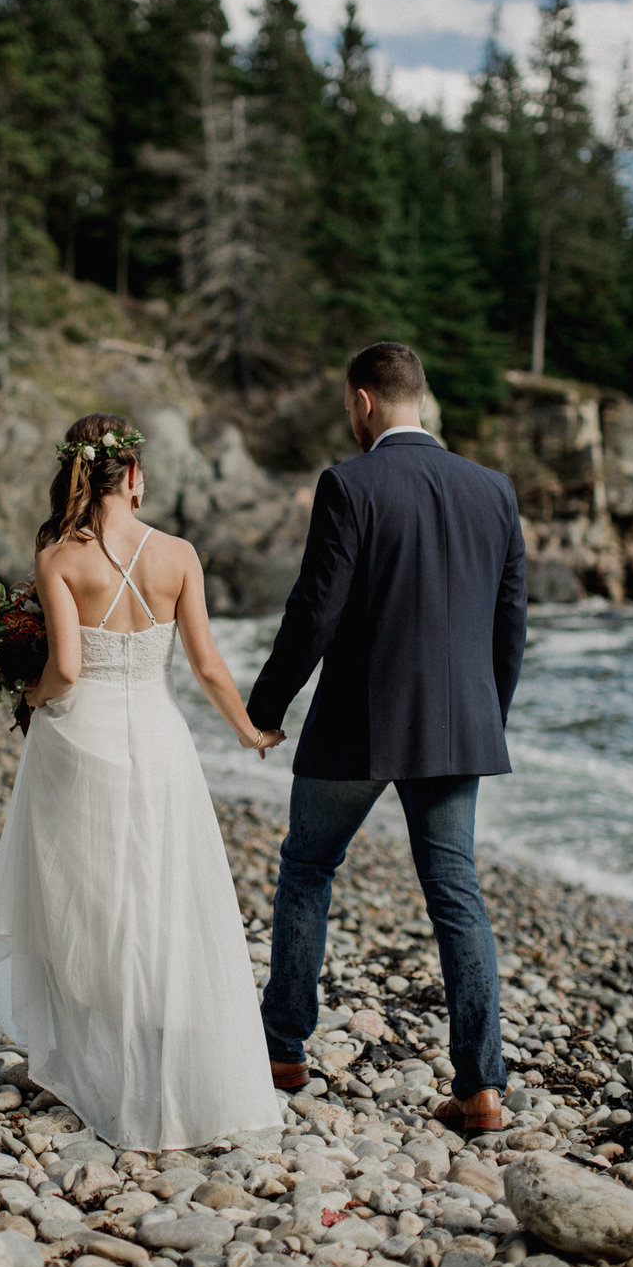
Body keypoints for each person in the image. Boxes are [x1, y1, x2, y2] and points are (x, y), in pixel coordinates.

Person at [0, 412, 285, 1151]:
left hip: (82, 739)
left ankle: (99, 1064)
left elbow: (67, 668)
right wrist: (248, 730)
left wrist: (32, 696)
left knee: (84, 898)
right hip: (162, 743)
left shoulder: (57, 553)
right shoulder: (178, 554)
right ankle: (172, 1072)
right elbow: (206, 666)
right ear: (133, 476)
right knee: (160, 898)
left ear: (78, 474)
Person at [247, 343, 528, 1136]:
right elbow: (511, 625)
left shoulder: (350, 482)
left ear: (364, 401)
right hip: (458, 729)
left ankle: (283, 1050)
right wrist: (486, 718)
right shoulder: (494, 490)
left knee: (307, 870)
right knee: (455, 896)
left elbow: (315, 611)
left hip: (357, 727)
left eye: (348, 405)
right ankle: (480, 1089)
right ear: (422, 401)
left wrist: (267, 707)